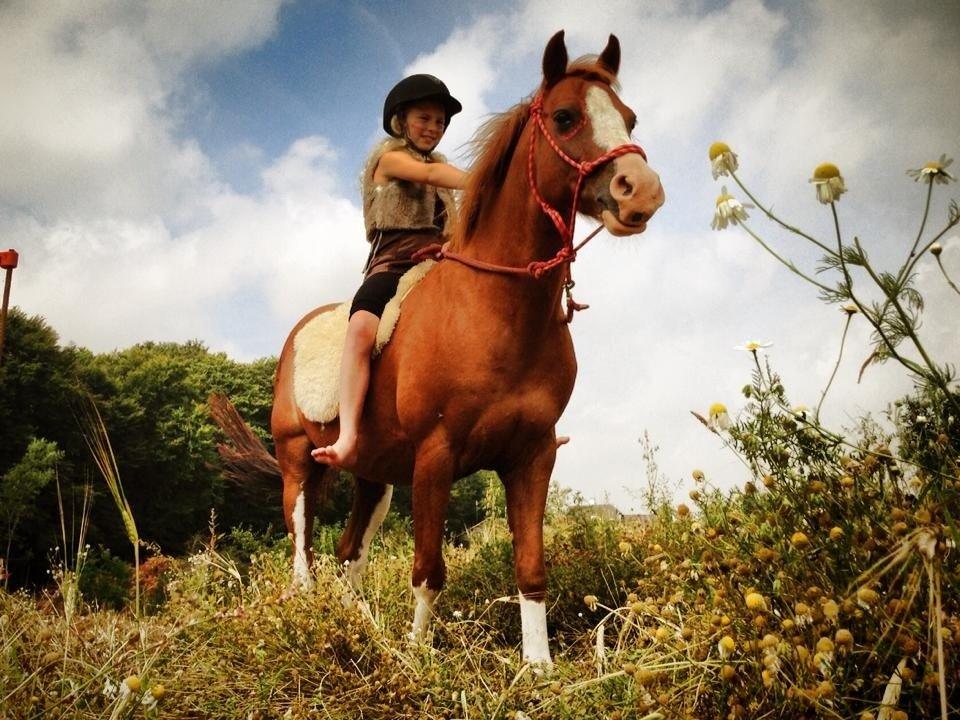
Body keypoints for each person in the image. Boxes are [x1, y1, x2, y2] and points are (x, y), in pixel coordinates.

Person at [312, 74, 468, 468]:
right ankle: (348, 433)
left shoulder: (445, 177)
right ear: (401, 120)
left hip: (439, 266)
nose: (434, 128)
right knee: (361, 330)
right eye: (425, 118)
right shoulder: (390, 160)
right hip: (392, 266)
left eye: (440, 122)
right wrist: (489, 180)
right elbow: (430, 175)